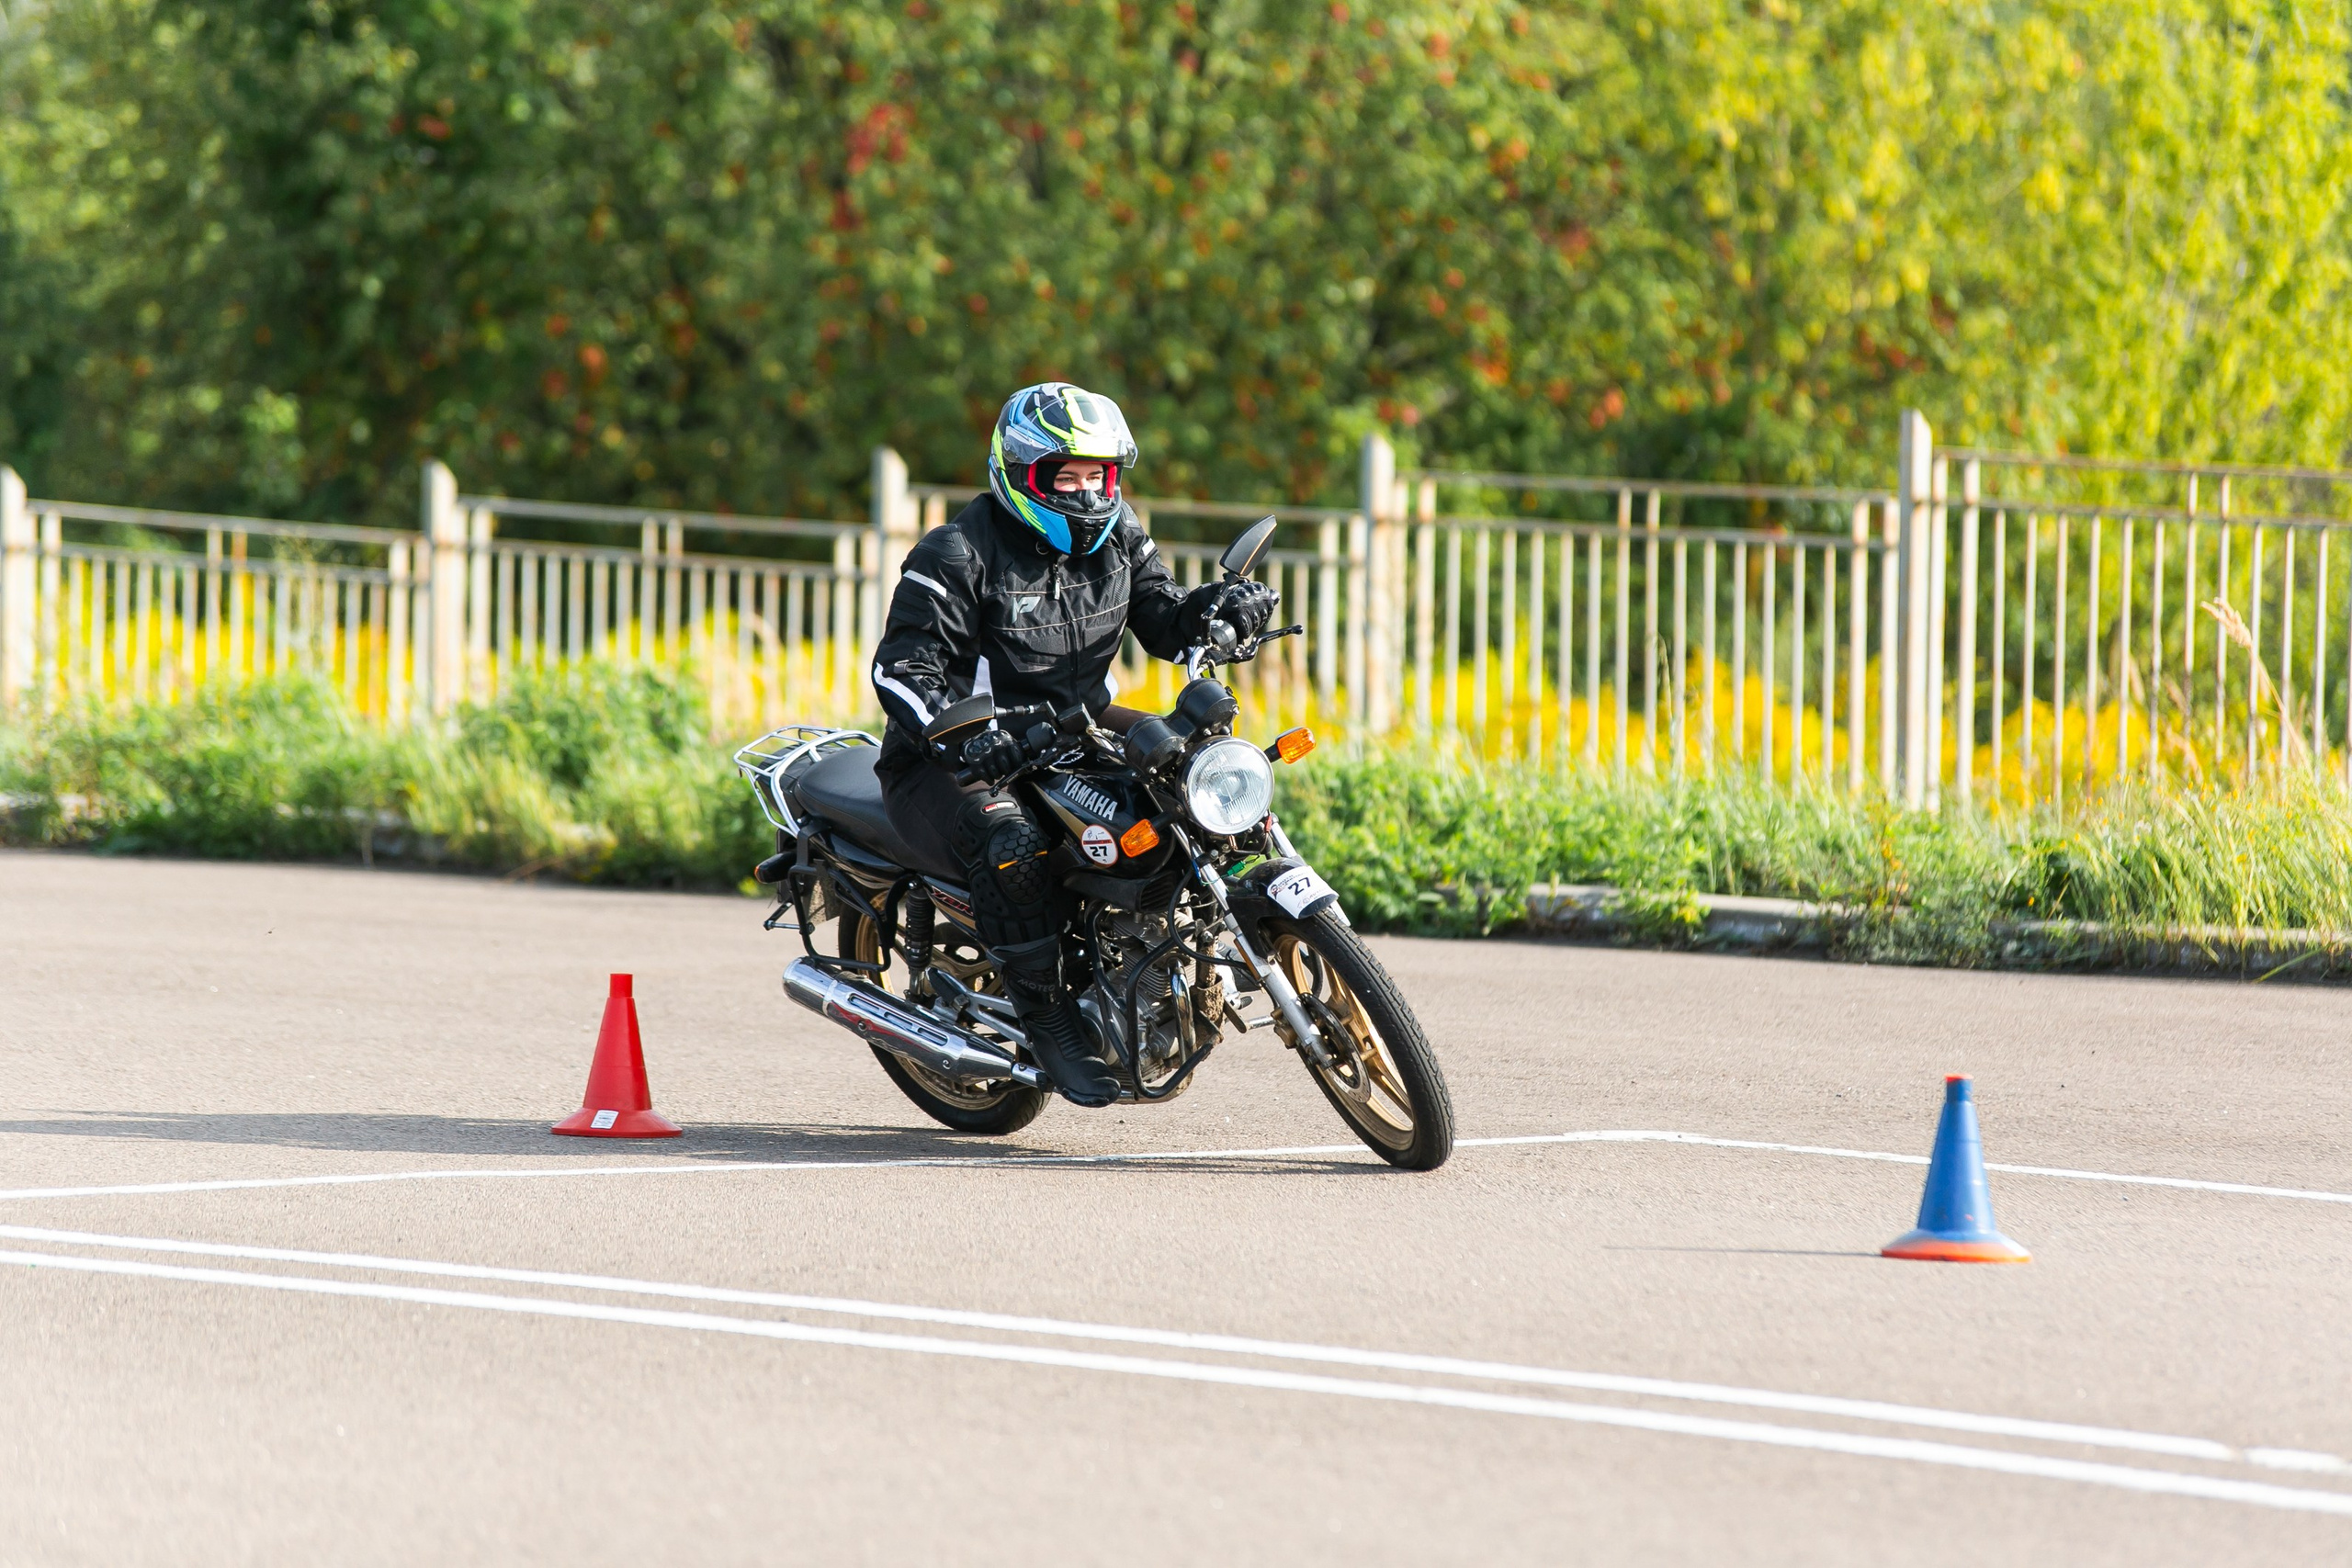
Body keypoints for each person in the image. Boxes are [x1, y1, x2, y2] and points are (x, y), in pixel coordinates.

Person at [869, 382, 1275, 1105]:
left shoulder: (1119, 535)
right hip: (953, 756)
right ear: (1022, 475)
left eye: (1099, 476)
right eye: (1067, 477)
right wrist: (966, 738)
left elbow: (1163, 615)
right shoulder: (959, 551)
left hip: (1070, 726)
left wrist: (1221, 608)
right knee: (1012, 843)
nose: (1087, 493)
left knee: (1197, 767)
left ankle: (1217, 935)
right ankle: (1049, 1014)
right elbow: (900, 671)